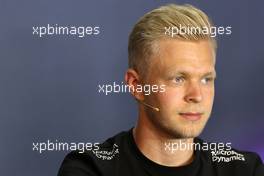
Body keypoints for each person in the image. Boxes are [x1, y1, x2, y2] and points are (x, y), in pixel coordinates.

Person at [58, 3, 264, 176]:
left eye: (206, 79)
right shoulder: (90, 169)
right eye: (178, 78)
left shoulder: (244, 169)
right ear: (136, 85)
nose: (196, 96)